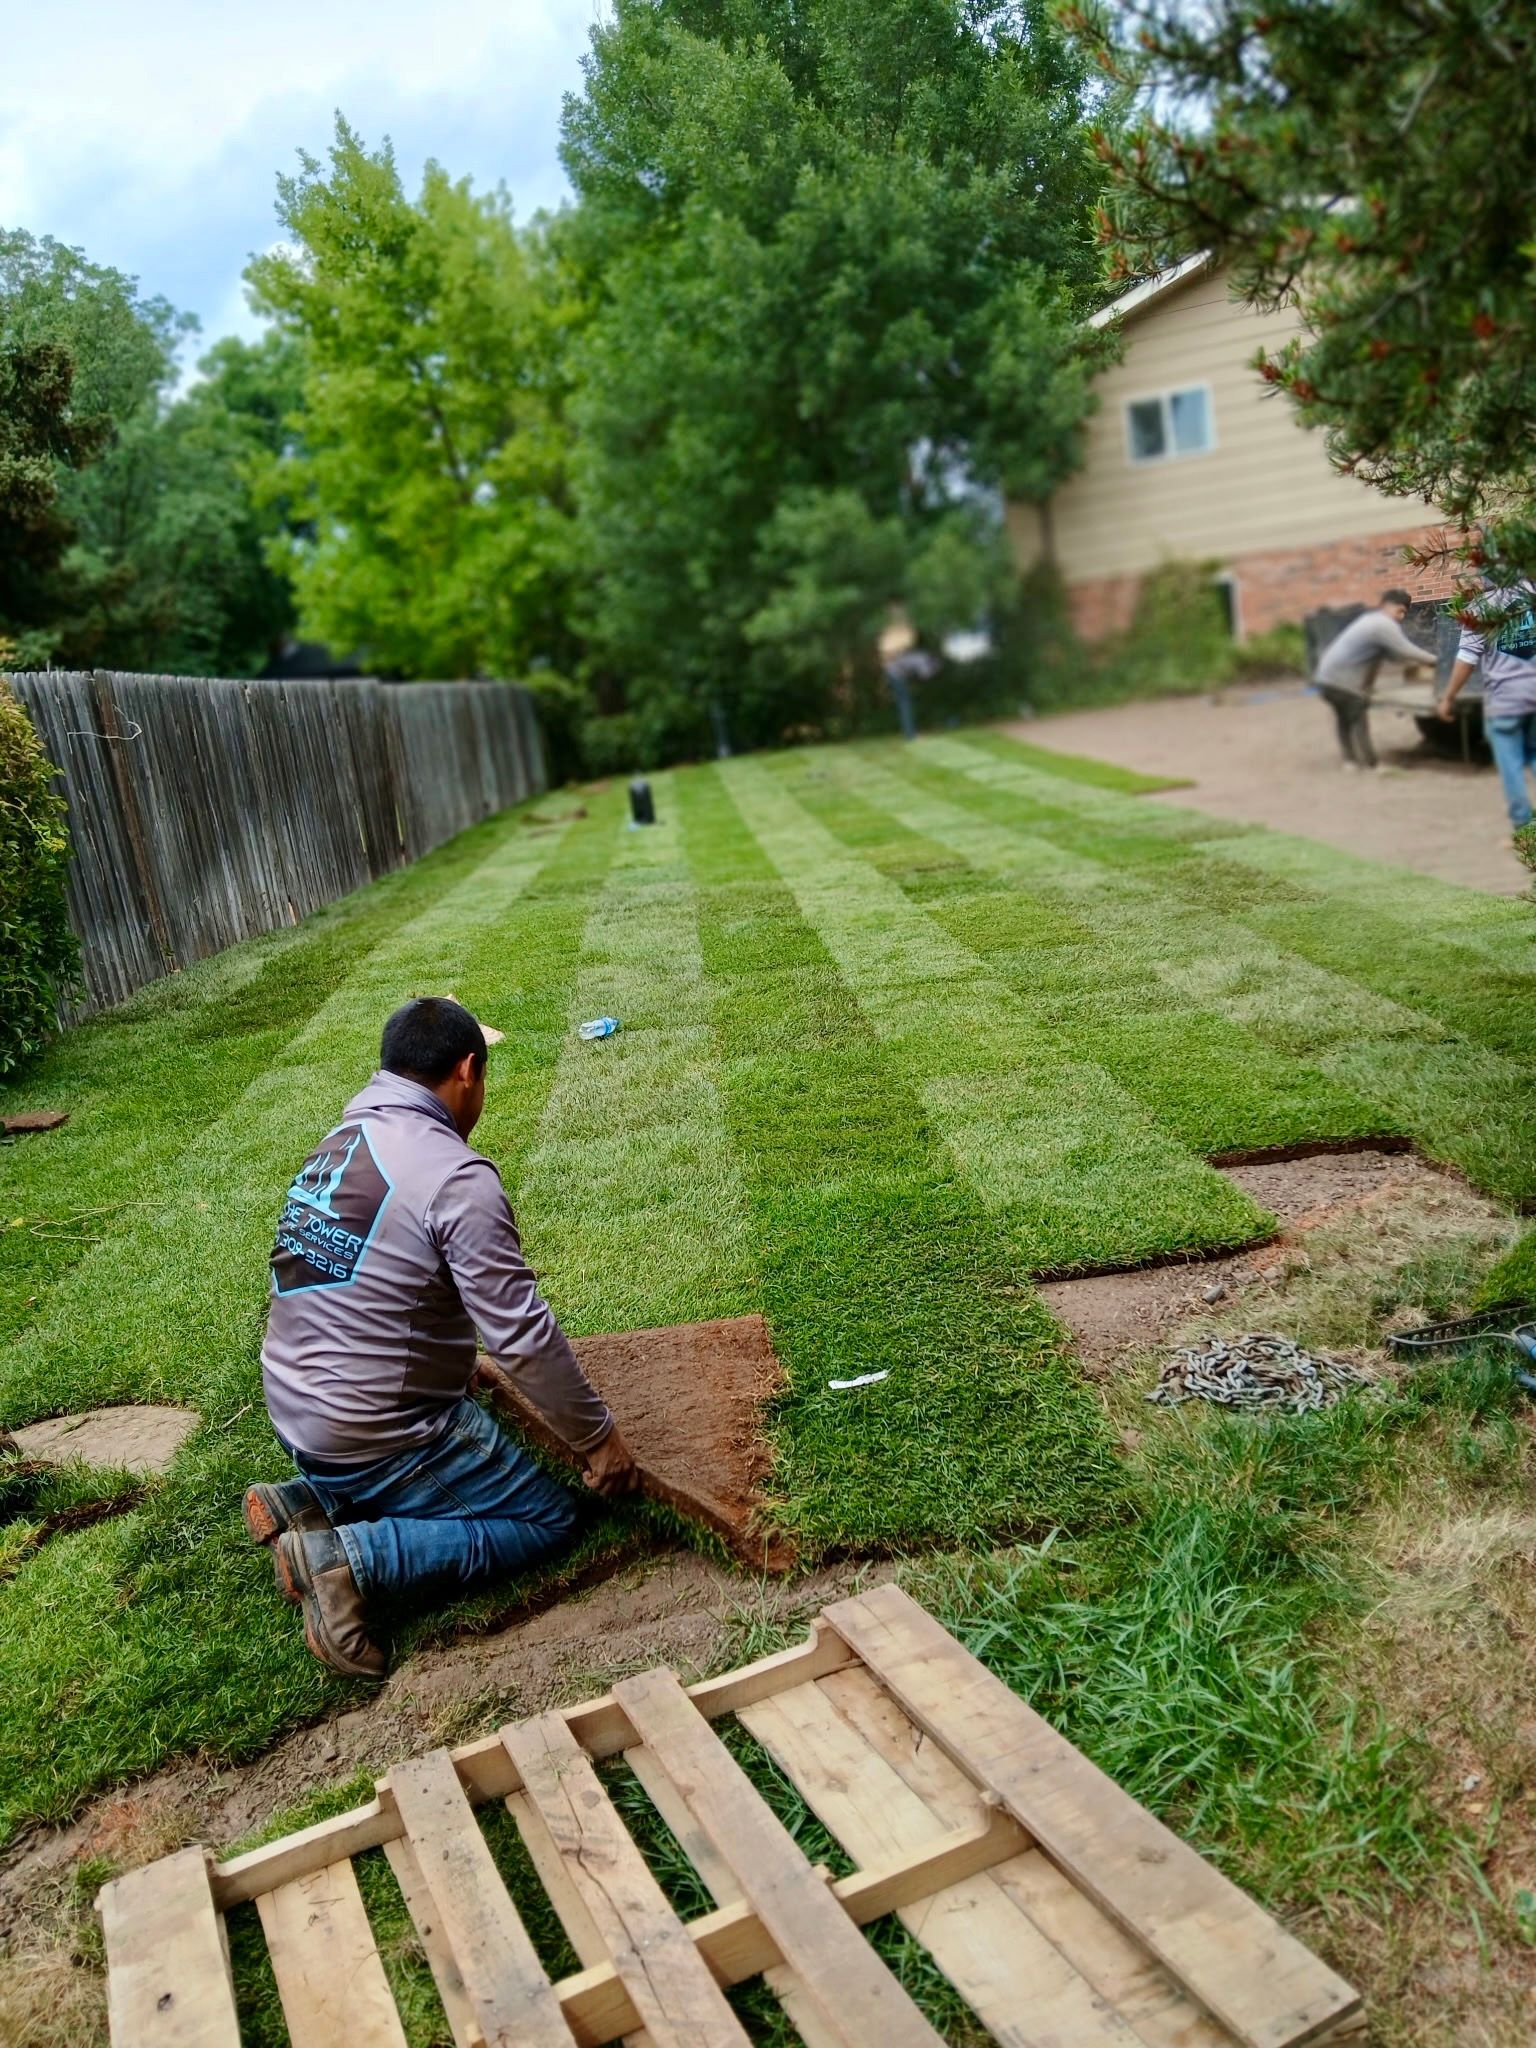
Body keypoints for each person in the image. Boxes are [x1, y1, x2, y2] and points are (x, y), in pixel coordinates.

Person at [244, 997, 637, 1677]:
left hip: (293, 1404)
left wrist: (452, 1367)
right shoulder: (456, 1177)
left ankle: (312, 1500)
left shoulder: (345, 1141)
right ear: (466, 1071)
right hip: (371, 1431)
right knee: (548, 1519)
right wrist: (598, 1439)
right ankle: (348, 1562)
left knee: (415, 1451)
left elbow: (373, 1285)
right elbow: (521, 1336)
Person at [1437, 581, 1536, 832]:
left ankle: (1523, 825)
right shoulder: (1531, 594)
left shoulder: (1480, 608)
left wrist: (1448, 697)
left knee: (1510, 767)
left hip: (1504, 702)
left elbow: (1467, 658)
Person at [1313, 588, 1428, 770]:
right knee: (1358, 711)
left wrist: (1367, 685)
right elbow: (1405, 651)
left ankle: (1349, 761)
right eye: (1400, 611)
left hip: (1325, 679)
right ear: (1387, 606)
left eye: (1404, 613)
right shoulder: (1383, 625)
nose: (1401, 617)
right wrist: (1439, 661)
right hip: (1340, 682)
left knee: (1344, 718)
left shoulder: (1369, 621)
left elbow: (1379, 657)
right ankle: (1371, 764)